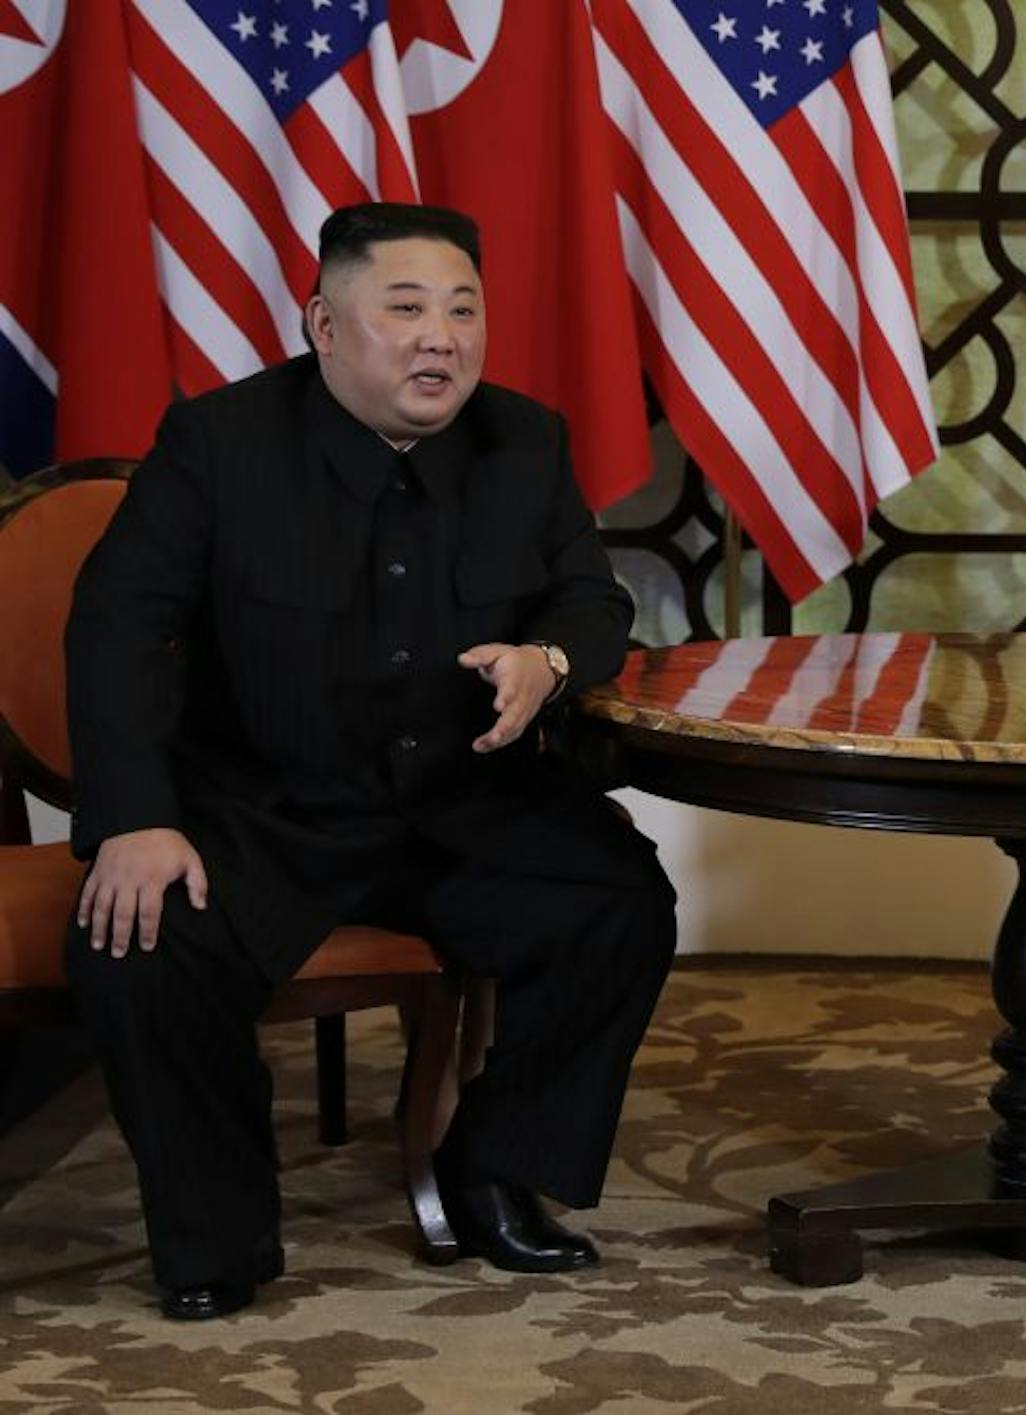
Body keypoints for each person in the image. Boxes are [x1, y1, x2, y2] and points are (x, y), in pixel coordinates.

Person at [64, 203, 678, 1321]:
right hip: (269, 806)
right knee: (144, 940)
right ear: (324, 324)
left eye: (462, 309)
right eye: (404, 309)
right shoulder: (218, 442)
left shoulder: (525, 440)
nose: (440, 337)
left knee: (618, 899)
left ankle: (492, 1169)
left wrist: (548, 657)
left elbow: (592, 597)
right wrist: (134, 817)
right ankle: (217, 1238)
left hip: (460, 802)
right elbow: (116, 626)